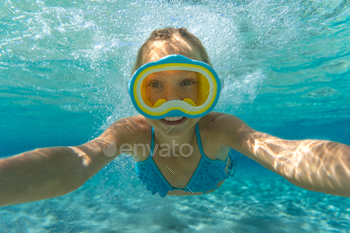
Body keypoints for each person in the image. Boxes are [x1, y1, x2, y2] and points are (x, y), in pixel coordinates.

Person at [1, 27, 349, 207]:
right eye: (155, 87)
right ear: (136, 94)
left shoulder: (219, 128)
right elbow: (79, 159)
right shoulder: (132, 133)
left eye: (188, 84)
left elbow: (287, 153)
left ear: (209, 91)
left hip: (216, 174)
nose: (174, 104)